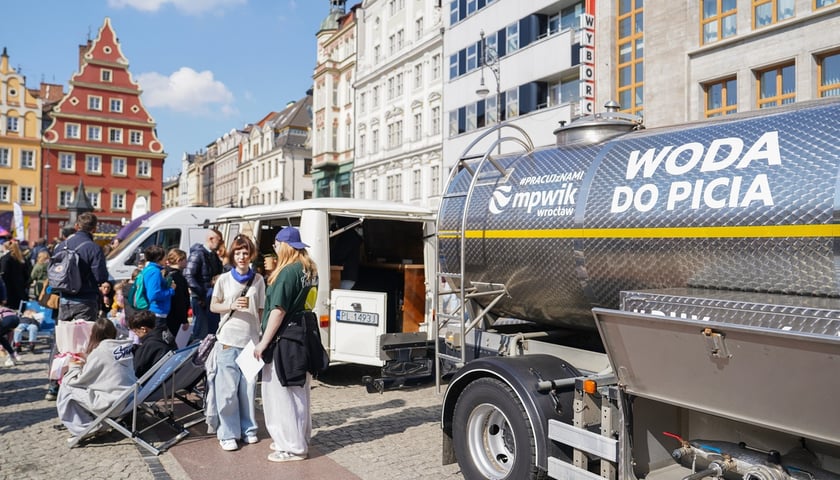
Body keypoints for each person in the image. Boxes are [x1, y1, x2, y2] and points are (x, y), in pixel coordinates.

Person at [254, 227, 318, 463]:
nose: (274, 249)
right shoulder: (310, 269)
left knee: (280, 393)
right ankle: (299, 438)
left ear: (285, 245)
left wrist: (262, 343)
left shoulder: (287, 273)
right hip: (303, 334)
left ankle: (291, 446)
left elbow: (278, 311)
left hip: (285, 337)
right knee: (299, 390)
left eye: (276, 244)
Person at [207, 234, 265, 451]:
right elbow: (214, 306)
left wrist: (259, 336)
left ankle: (249, 429)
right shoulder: (223, 279)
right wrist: (231, 305)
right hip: (228, 340)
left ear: (251, 256)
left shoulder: (258, 280)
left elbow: (260, 310)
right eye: (238, 253)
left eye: (245, 253)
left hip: (250, 341)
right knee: (228, 390)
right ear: (232, 255)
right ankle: (228, 433)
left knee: (249, 389)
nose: (242, 256)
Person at [46, 213, 109, 401]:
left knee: (61, 341)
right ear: (95, 229)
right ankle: (81, 381)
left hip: (64, 299)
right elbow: (100, 277)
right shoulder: (93, 248)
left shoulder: (61, 245)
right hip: (85, 300)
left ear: (76, 227)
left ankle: (53, 385)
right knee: (84, 341)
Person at [56, 317, 135, 439]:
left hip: (113, 403)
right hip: (129, 398)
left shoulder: (100, 351)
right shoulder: (124, 348)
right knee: (77, 388)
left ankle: (84, 427)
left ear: (94, 334)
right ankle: (90, 422)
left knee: (66, 385)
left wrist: (74, 366)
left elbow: (79, 380)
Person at [185, 229, 224, 342]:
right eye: (219, 240)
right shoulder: (198, 254)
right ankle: (194, 356)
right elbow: (188, 275)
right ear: (211, 239)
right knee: (201, 331)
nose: (220, 243)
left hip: (209, 297)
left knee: (209, 330)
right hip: (201, 299)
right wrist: (202, 294)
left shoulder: (212, 255)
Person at [128, 309, 177, 378]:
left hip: (158, 381)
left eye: (135, 331)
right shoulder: (165, 335)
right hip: (172, 373)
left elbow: (137, 370)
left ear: (143, 329)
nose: (135, 334)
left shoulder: (149, 345)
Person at [140, 245, 175, 328]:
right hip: (157, 312)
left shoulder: (148, 269)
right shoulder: (155, 271)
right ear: (159, 258)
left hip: (155, 311)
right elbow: (153, 295)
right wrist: (171, 290)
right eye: (164, 256)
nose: (166, 258)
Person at [163, 249, 190, 337]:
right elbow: (180, 301)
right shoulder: (177, 277)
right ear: (179, 261)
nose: (187, 261)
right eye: (185, 259)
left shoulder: (165, 273)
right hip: (175, 317)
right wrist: (184, 320)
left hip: (165, 314)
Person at [0, 240, 31, 311]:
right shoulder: (21, 258)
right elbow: (27, 273)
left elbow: (3, 273)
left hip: (9, 288)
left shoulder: (6, 258)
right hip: (20, 287)